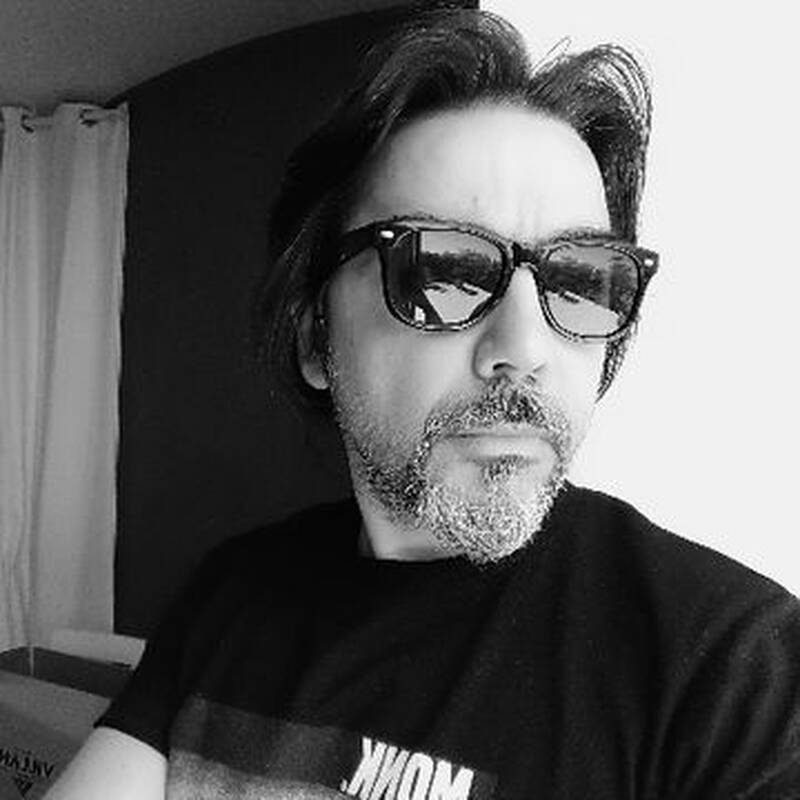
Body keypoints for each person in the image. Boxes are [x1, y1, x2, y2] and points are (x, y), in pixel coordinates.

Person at [45, 8, 800, 799]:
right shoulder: (232, 598)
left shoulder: (733, 672)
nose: (527, 346)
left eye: (579, 280)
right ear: (315, 338)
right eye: (444, 271)